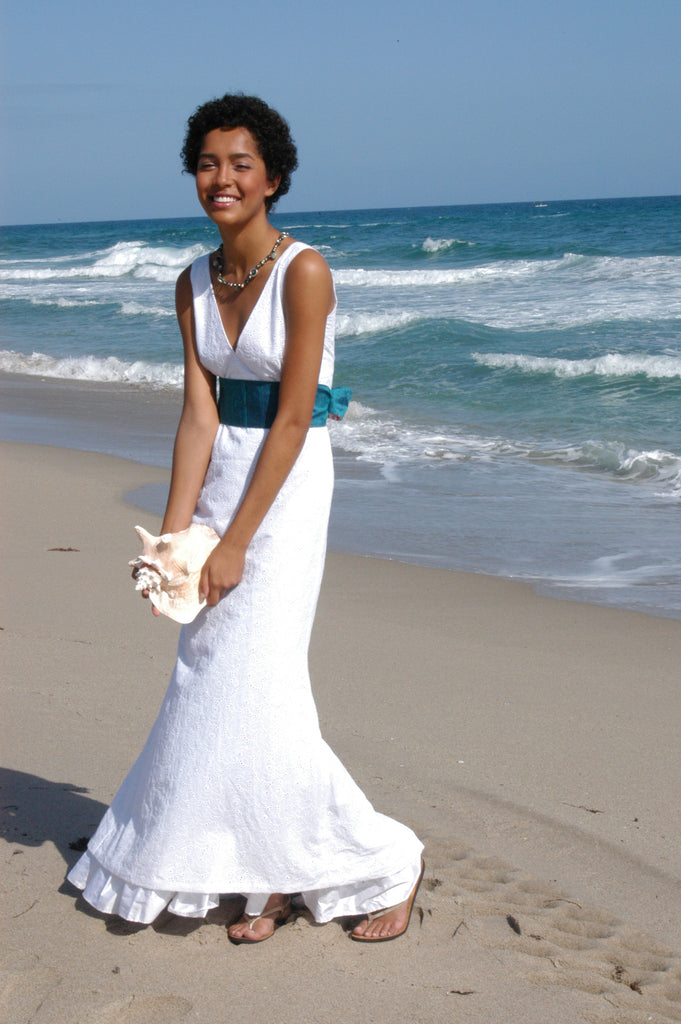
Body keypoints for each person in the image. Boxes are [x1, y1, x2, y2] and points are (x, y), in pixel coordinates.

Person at [68, 94, 424, 943]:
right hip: (223, 475)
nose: (220, 178)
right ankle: (254, 869)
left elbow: (296, 418)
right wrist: (172, 542)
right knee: (209, 674)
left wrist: (234, 544)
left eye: (239, 164)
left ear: (273, 178)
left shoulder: (305, 271)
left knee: (256, 677)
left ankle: (381, 862)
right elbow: (197, 415)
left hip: (288, 486)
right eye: (206, 163)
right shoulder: (191, 282)